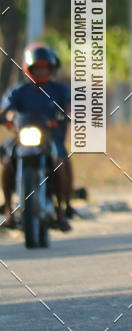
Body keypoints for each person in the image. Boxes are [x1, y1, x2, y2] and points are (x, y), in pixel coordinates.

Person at [1, 43, 73, 231]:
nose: (41, 71)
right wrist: (9, 116)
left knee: (59, 162)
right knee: (7, 162)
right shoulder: (18, 91)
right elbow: (6, 109)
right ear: (29, 68)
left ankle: (60, 210)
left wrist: (66, 114)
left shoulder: (60, 90)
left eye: (45, 68)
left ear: (51, 68)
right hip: (23, 140)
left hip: (51, 139)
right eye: (37, 68)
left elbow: (69, 107)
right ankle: (8, 209)